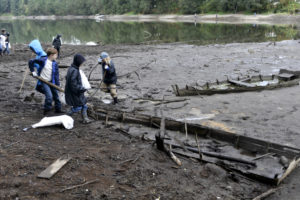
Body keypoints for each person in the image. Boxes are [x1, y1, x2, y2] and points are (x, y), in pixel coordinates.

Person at [28, 44, 62, 115]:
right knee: (49, 96)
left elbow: (56, 74)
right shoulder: (43, 60)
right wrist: (33, 71)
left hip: (52, 82)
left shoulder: (54, 63)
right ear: (51, 55)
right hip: (44, 81)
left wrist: (57, 84)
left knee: (56, 95)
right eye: (56, 55)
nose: (57, 56)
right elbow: (31, 61)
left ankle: (58, 109)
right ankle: (47, 111)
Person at [65, 54, 92, 124]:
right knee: (77, 107)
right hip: (74, 93)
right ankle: (65, 117)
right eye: (81, 62)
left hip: (77, 92)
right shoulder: (74, 71)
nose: (82, 64)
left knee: (84, 105)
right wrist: (81, 89)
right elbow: (73, 84)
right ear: (78, 62)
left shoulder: (73, 68)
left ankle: (85, 119)